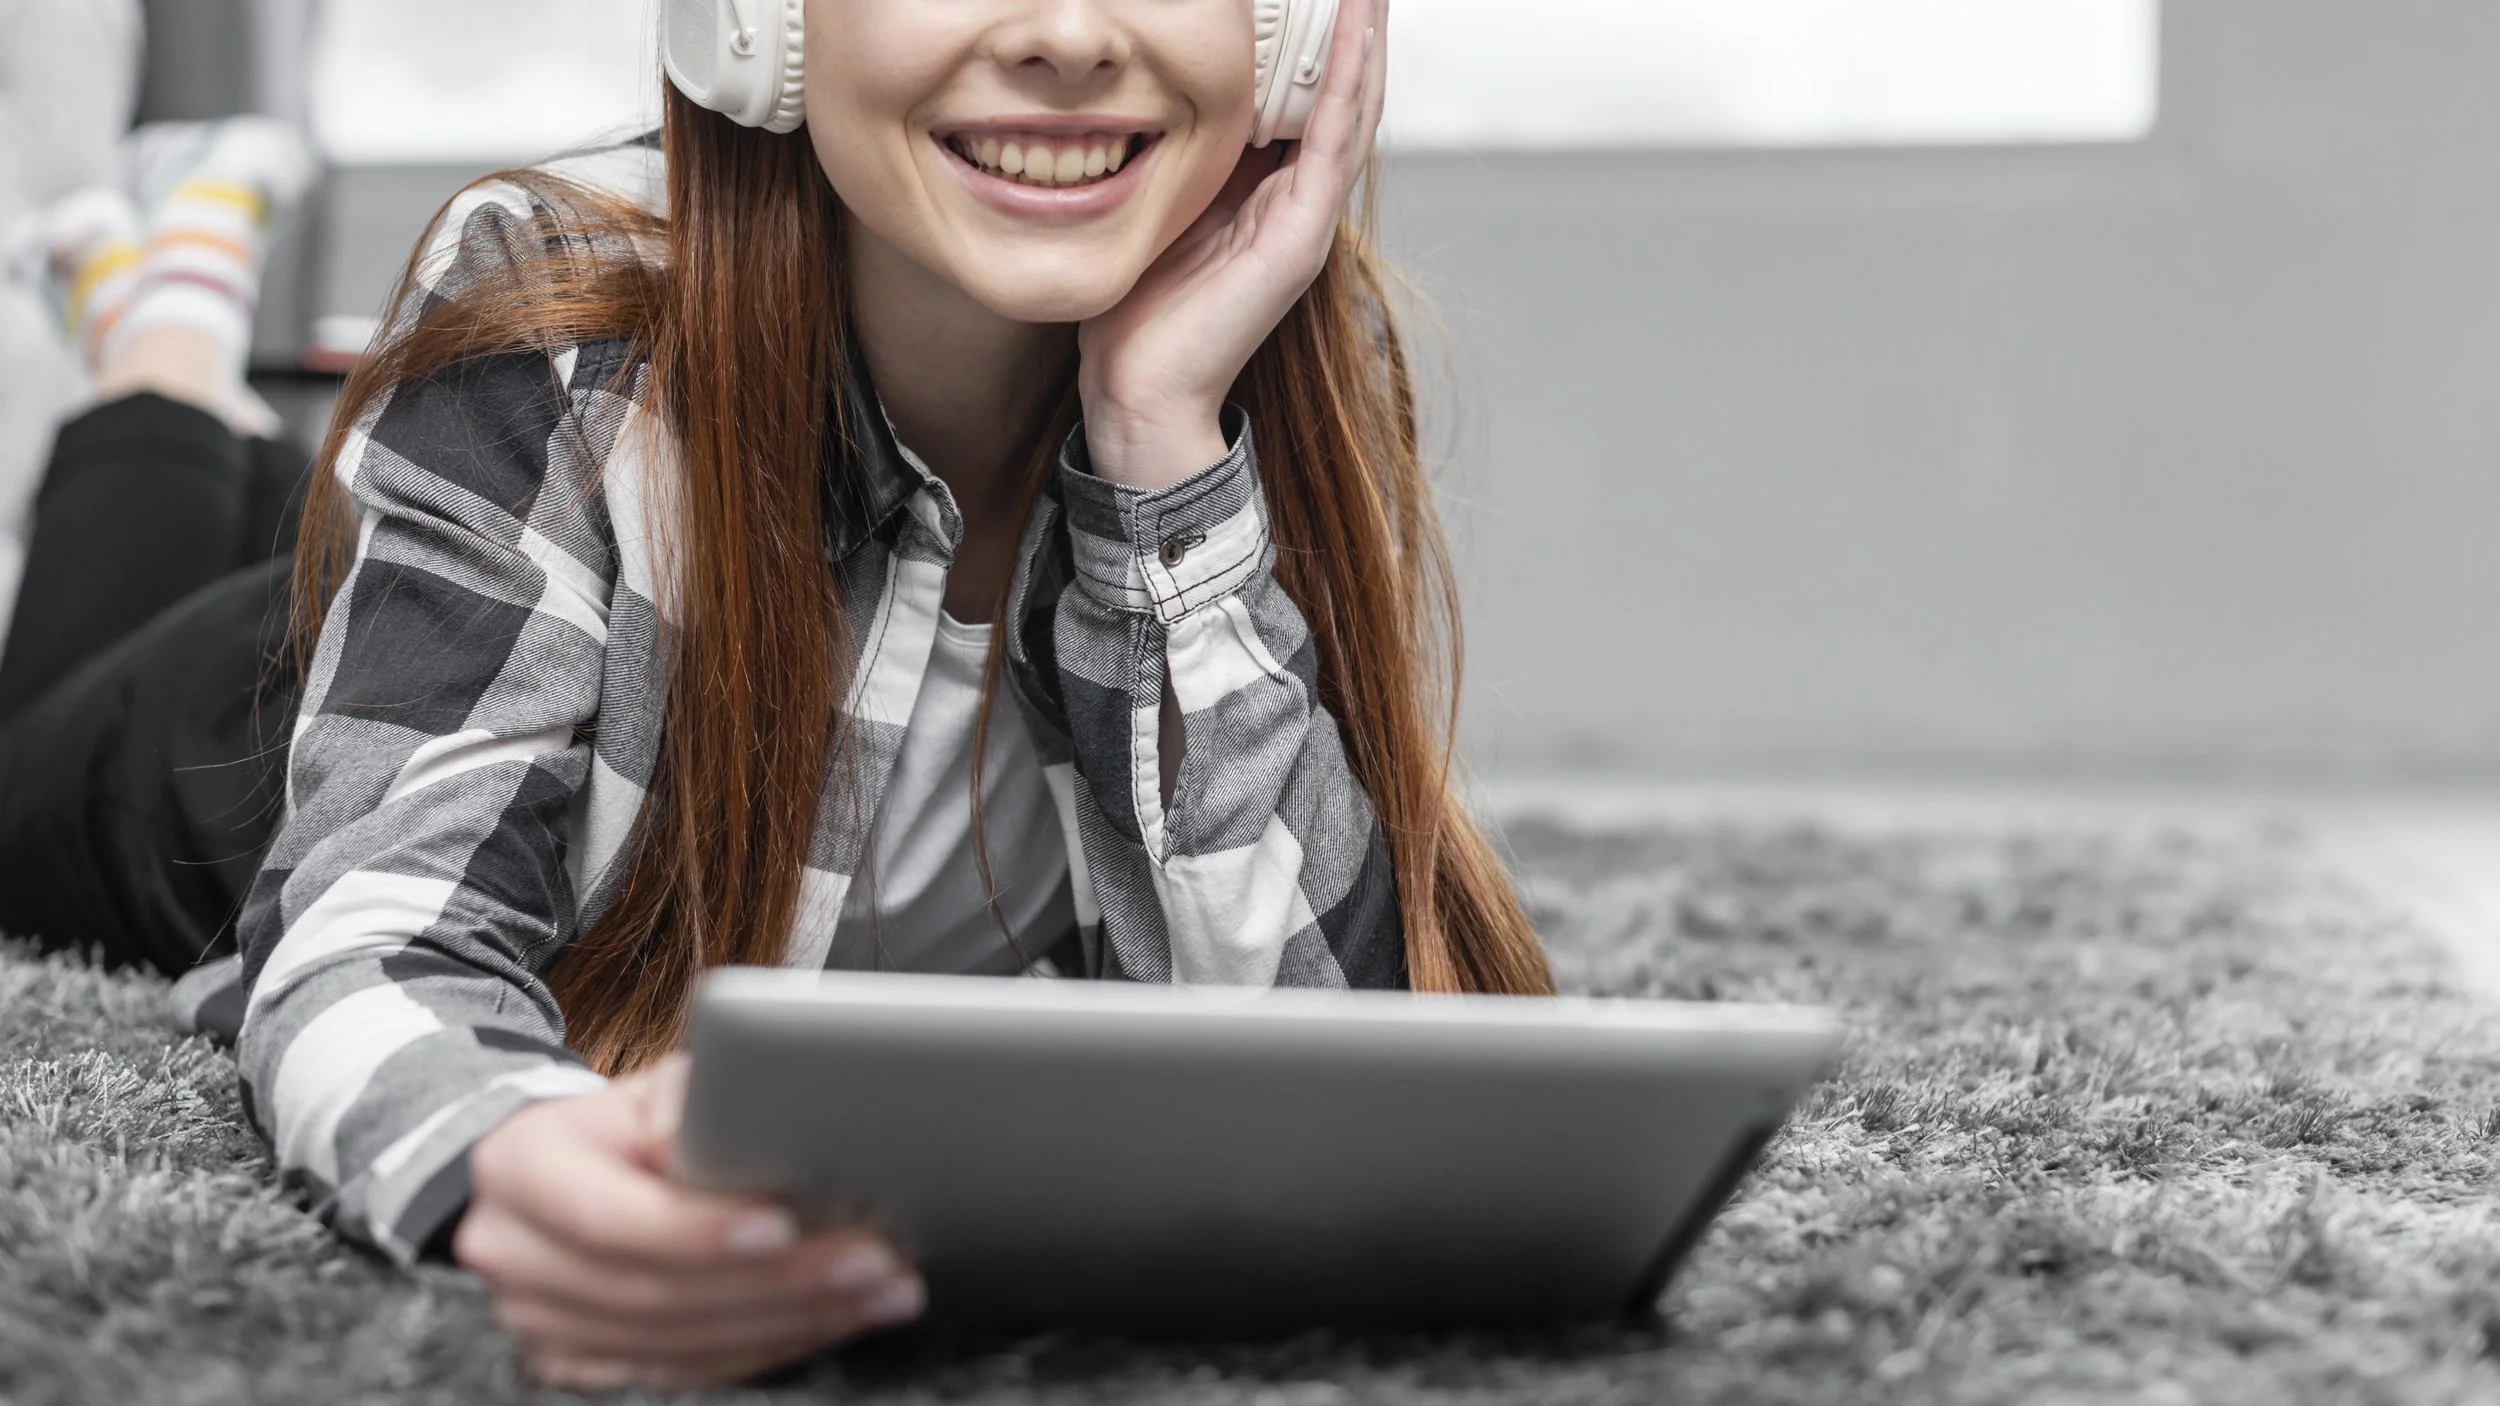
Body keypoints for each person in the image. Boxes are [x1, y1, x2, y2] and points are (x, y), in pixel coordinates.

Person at [8, 0, 1555, 1388]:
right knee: (33, 737)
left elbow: (1340, 1067)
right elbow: (375, 930)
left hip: (491, 538)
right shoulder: (557, 319)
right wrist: (512, 1151)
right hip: (238, 733)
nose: (1074, 34)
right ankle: (164, 321)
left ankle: (198, 373)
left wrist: (1159, 441)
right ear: (759, 18)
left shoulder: (1247, 348)